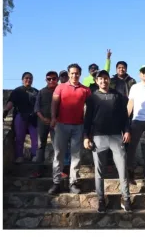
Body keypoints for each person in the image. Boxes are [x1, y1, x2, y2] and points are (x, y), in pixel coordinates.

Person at [83, 69, 132, 213]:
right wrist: (86, 136)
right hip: (98, 137)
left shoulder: (118, 96)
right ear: (96, 81)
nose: (103, 81)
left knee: (122, 169)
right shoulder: (92, 98)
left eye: (105, 78)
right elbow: (88, 119)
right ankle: (100, 200)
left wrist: (127, 130)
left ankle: (126, 198)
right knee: (99, 172)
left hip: (116, 136)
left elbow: (125, 117)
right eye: (100, 79)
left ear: (109, 80)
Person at [49, 63, 89, 195]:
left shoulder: (85, 90)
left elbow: (90, 108)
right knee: (58, 154)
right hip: (61, 125)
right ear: (69, 74)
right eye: (72, 73)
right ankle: (56, 183)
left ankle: (73, 182)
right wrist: (53, 117)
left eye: (77, 73)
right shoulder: (60, 87)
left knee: (76, 156)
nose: (74, 75)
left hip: (78, 126)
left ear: (80, 74)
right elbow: (54, 102)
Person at [5, 72, 39, 164]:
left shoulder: (36, 92)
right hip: (21, 116)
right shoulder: (17, 91)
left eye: (30, 78)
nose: (28, 80)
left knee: (35, 137)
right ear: (22, 79)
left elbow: (40, 105)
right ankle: (19, 156)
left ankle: (34, 155)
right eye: (26, 78)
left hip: (33, 117)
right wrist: (5, 111)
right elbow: (10, 102)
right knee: (20, 137)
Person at [33, 71, 59, 163]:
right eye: (49, 79)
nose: (51, 80)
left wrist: (54, 119)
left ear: (57, 79)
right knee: (40, 145)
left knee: (57, 146)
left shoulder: (60, 91)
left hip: (57, 122)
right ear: (46, 80)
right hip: (42, 121)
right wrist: (43, 118)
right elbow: (36, 108)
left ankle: (59, 170)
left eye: (54, 78)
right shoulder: (41, 91)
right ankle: (38, 170)